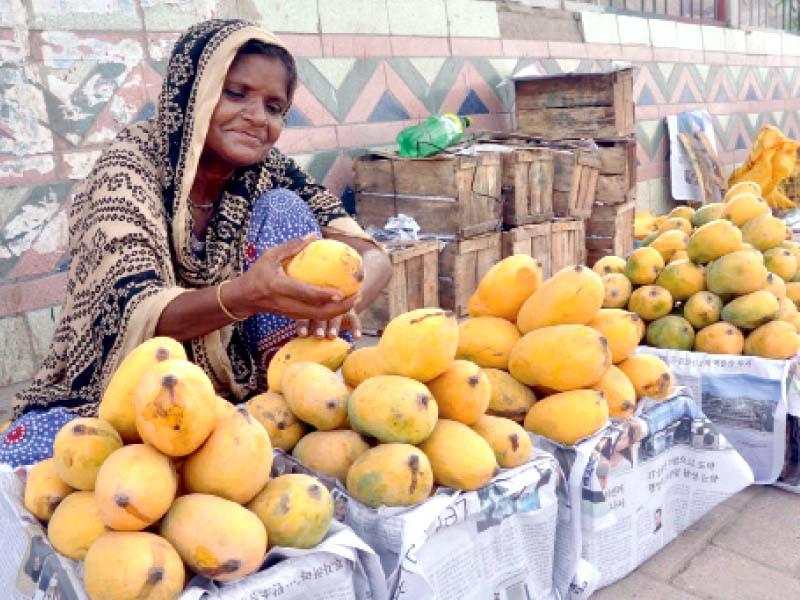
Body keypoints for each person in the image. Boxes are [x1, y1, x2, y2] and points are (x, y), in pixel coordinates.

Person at [0, 19, 392, 467]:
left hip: (246, 379)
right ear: (193, 92)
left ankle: (287, 401)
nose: (257, 117)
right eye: (236, 93)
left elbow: (369, 253)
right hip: (133, 385)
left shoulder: (269, 171)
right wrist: (245, 296)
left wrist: (345, 298)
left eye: (274, 106)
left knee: (286, 210)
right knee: (26, 459)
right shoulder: (130, 169)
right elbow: (135, 313)